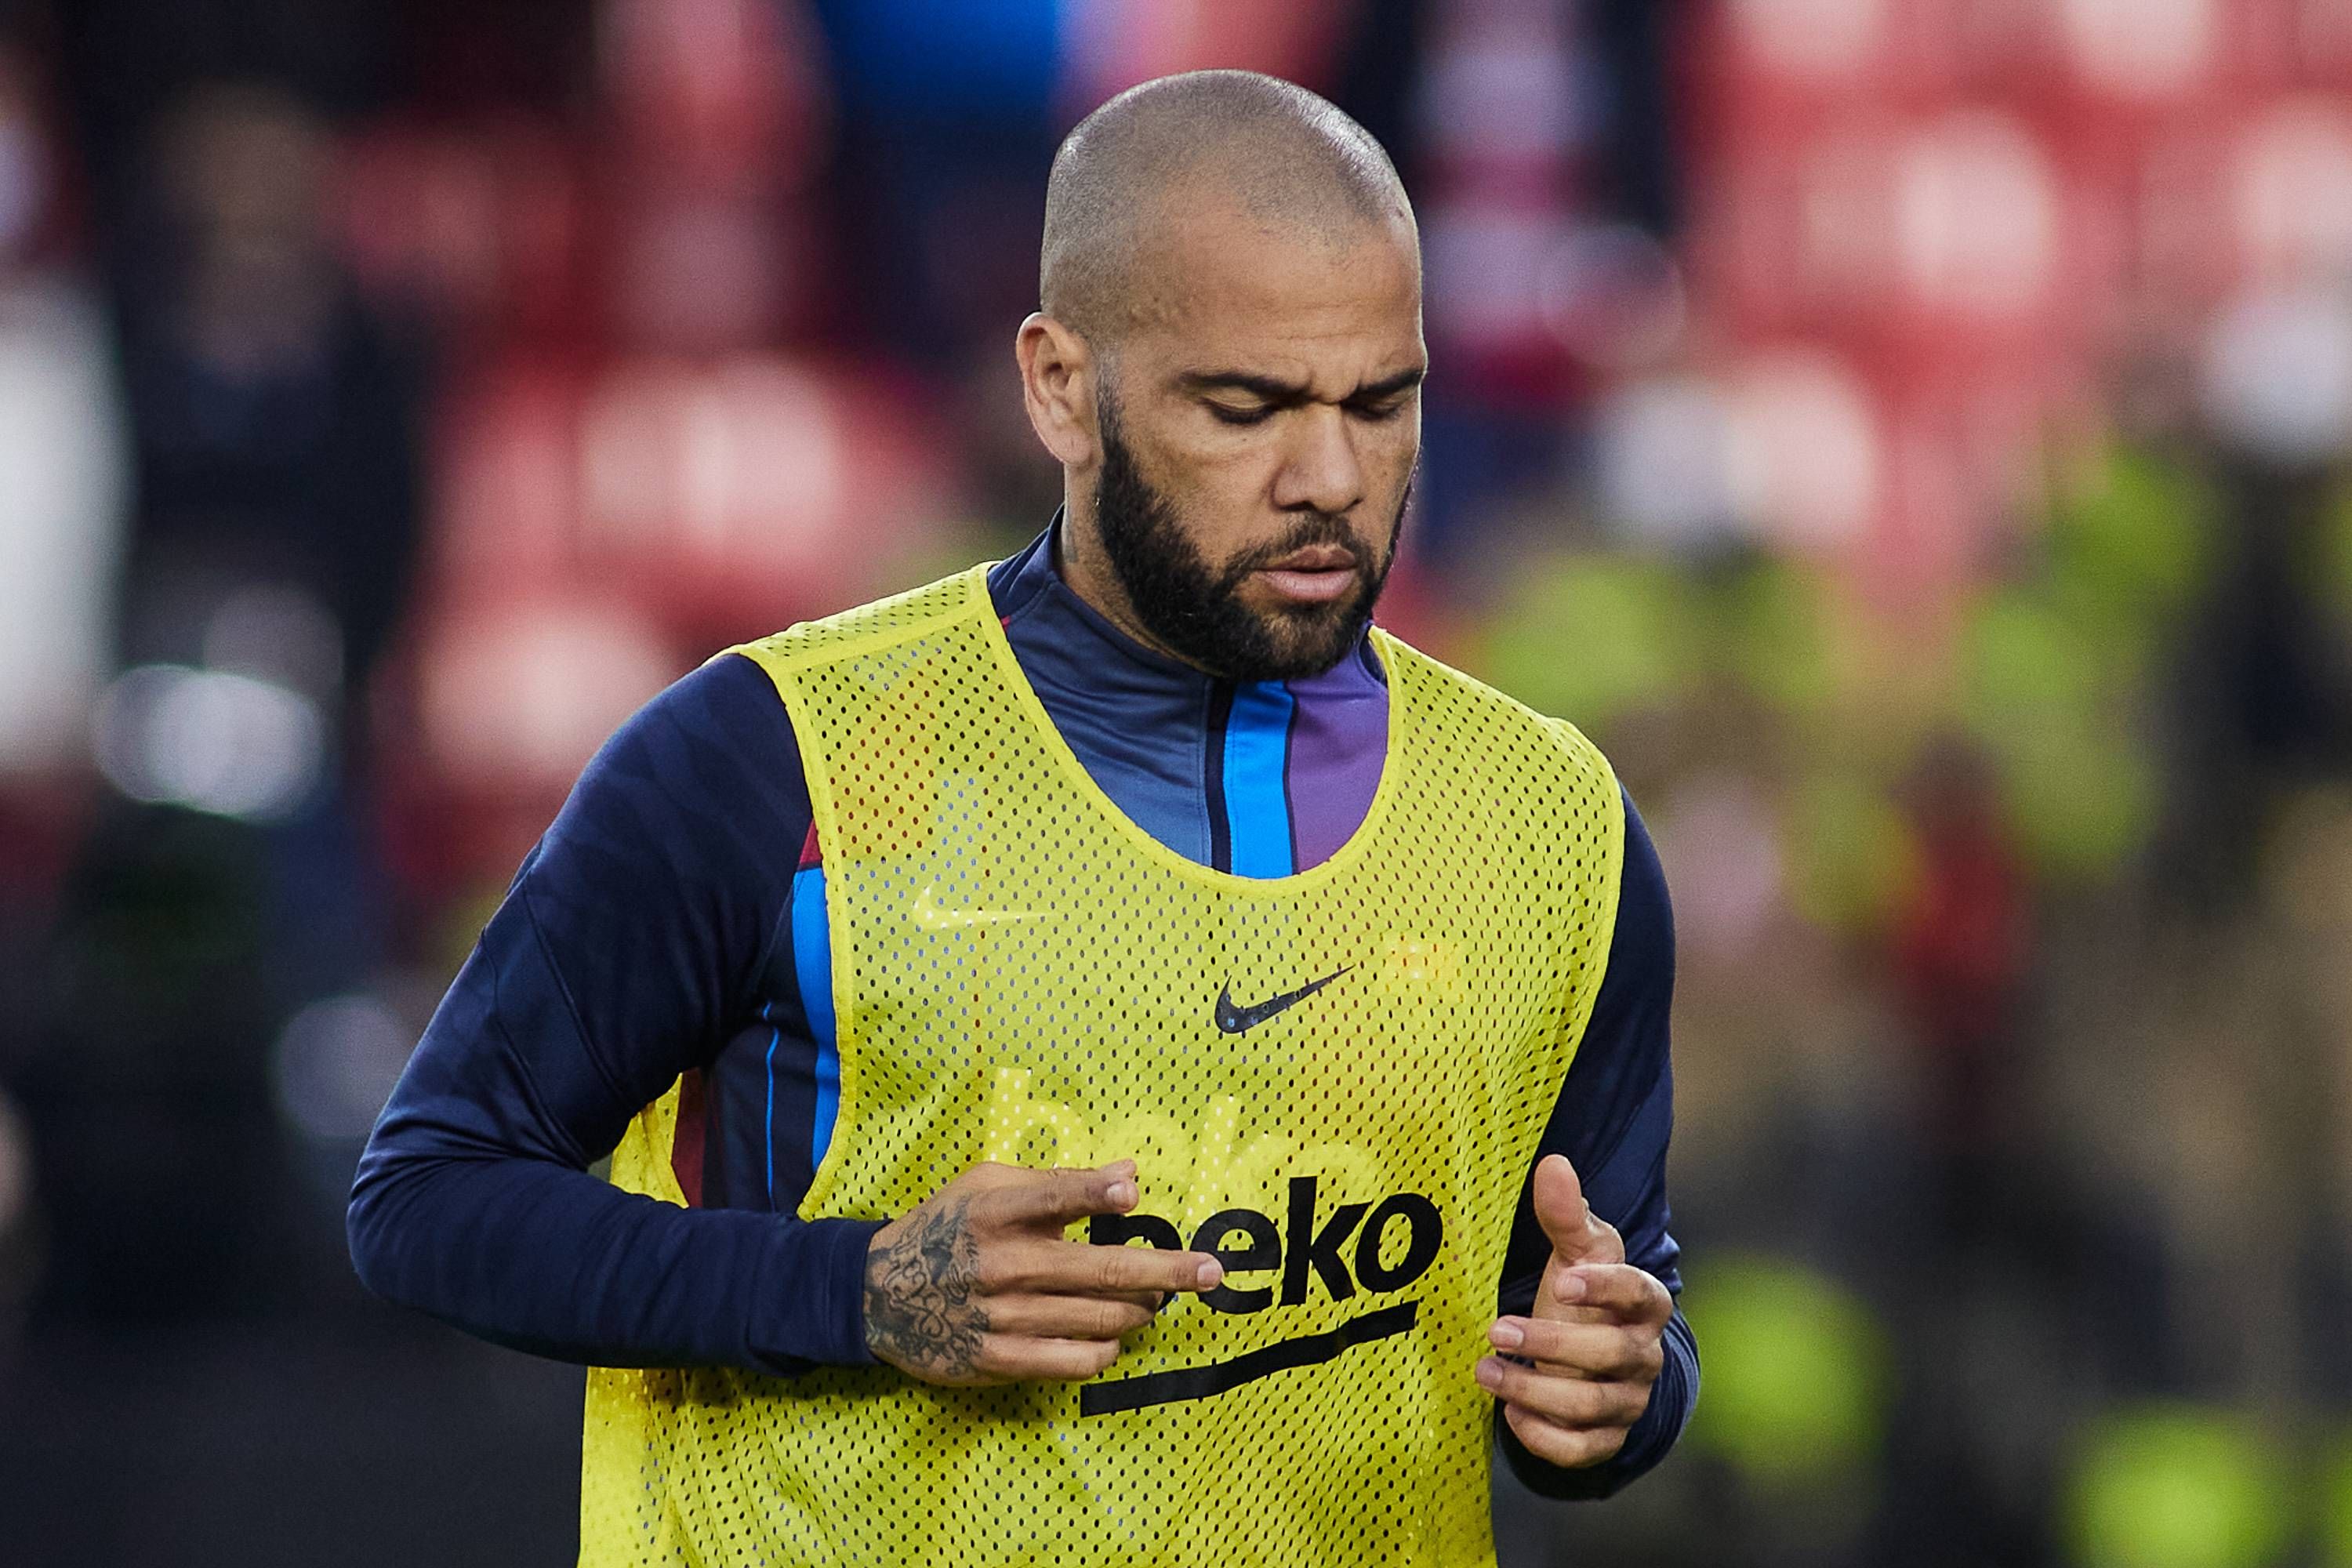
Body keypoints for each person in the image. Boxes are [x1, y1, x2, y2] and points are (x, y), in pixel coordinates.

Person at [350, 69, 1696, 1567]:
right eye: (1244, 407)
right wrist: (854, 1291)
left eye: (1384, 403)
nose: (1330, 478)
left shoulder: (1547, 825)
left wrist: (1621, 1391)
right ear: (1060, 385)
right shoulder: (768, 763)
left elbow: (1601, 1315)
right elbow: (426, 1195)